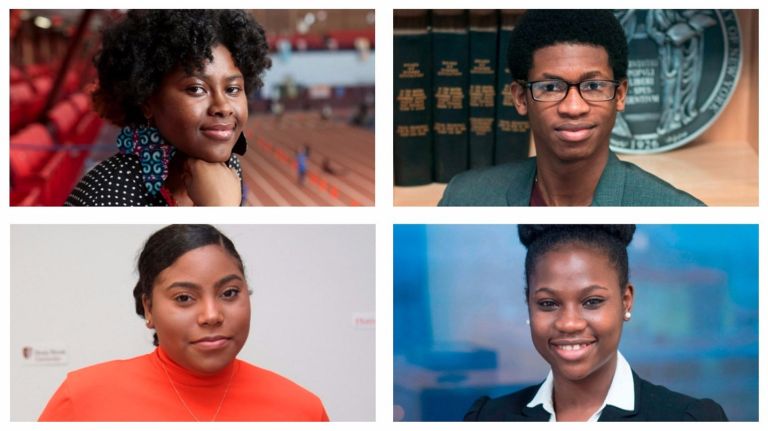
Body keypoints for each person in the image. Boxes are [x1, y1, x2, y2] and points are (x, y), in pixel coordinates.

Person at [39, 225, 329, 421]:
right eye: (184, 298)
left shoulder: (302, 410)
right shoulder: (83, 399)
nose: (212, 315)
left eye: (229, 293)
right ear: (148, 308)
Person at [438, 10, 704, 206]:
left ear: (620, 95)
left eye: (593, 86)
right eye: (551, 87)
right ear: (520, 98)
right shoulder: (464, 198)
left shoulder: (681, 211)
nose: (573, 108)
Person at [464, 225, 727, 421]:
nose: (569, 324)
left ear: (626, 301)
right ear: (529, 304)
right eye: (547, 304)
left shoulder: (689, 420)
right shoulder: (488, 418)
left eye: (592, 302)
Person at [65, 10, 272, 206]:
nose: (223, 107)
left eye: (233, 89)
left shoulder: (228, 169)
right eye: (196, 89)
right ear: (147, 100)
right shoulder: (105, 196)